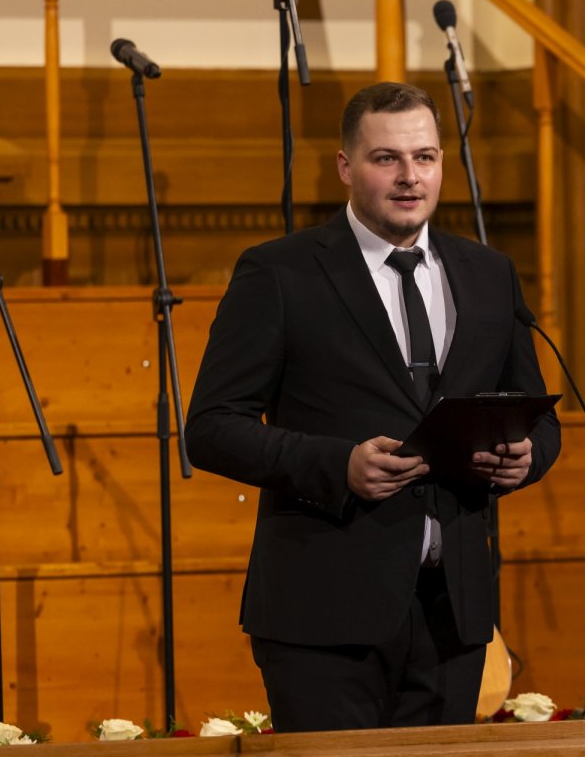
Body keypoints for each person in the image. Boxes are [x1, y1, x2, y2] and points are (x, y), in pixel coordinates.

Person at [185, 82, 560, 732]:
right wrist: (339, 465)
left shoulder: (487, 273)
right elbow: (212, 429)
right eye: (386, 158)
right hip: (323, 614)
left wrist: (526, 457)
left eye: (425, 157)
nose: (410, 177)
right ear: (345, 167)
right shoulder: (281, 274)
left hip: (453, 615)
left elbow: (537, 415)